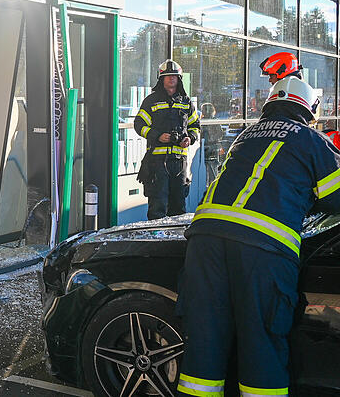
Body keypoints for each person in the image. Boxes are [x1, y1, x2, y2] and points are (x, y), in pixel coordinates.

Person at [176, 52, 340, 396]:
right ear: (308, 110)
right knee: (261, 343)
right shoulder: (313, 141)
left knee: (205, 342)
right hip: (262, 250)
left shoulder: (246, 136)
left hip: (204, 241)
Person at [134, 59, 200, 220]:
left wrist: (189, 139)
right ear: (161, 79)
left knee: (179, 204)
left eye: (174, 76)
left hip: (179, 162)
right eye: (168, 76)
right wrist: (157, 136)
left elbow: (195, 126)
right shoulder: (151, 101)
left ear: (179, 79)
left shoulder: (186, 102)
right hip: (157, 161)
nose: (171, 79)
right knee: (158, 205)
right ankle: (155, 240)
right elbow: (139, 124)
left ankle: (175, 242)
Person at [200, 102, 223, 185]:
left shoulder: (213, 121)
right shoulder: (203, 121)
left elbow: (219, 134)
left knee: (212, 168)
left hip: (211, 147)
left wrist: (211, 140)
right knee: (209, 168)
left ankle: (211, 185)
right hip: (207, 147)